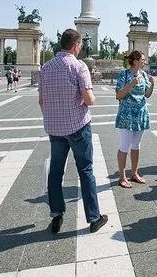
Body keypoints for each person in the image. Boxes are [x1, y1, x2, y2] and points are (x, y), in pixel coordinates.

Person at [38, 29, 108, 234]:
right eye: (80, 46)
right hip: (78, 126)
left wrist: (52, 117)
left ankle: (56, 215)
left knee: (55, 172)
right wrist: (90, 98)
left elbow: (41, 101)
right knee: (85, 171)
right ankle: (94, 218)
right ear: (76, 46)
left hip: (55, 129)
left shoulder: (46, 67)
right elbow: (89, 100)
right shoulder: (78, 66)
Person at [115, 51, 154, 188]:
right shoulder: (124, 75)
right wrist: (131, 84)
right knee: (124, 146)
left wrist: (152, 84)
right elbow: (119, 95)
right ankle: (122, 177)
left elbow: (147, 94)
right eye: (143, 59)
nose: (145, 61)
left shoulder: (143, 75)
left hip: (140, 114)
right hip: (127, 115)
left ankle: (134, 173)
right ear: (135, 61)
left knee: (136, 145)